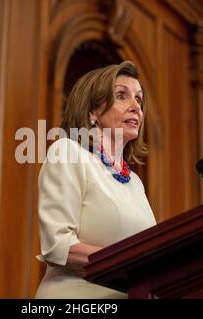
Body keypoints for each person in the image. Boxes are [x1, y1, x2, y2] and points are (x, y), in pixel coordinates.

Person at [35, 61, 157, 298]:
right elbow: (58, 246)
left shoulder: (134, 182)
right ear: (92, 111)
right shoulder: (68, 152)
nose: (135, 107)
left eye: (139, 99)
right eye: (122, 96)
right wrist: (130, 263)